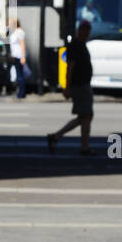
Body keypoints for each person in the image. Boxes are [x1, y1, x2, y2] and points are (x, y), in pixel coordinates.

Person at [47, 19, 95, 156]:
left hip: (82, 85)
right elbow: (70, 68)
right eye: (84, 30)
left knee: (84, 117)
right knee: (86, 116)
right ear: (79, 30)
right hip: (80, 86)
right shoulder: (75, 45)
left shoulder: (80, 44)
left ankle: (56, 137)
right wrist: (67, 87)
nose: (86, 33)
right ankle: (84, 147)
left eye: (88, 30)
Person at [7, 18, 27, 99]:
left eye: (10, 23)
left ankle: (22, 93)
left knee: (19, 75)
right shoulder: (15, 32)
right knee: (18, 75)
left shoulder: (19, 32)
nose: (9, 25)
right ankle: (20, 92)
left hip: (19, 56)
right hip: (15, 56)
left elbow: (22, 45)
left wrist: (23, 56)